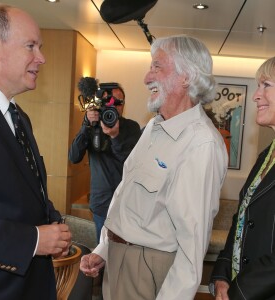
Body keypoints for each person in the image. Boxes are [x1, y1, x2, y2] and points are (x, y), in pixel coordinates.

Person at [79, 35, 228, 300]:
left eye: (157, 67)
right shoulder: (153, 127)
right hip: (118, 261)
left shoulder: (201, 142)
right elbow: (127, 199)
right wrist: (104, 250)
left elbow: (191, 249)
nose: (147, 77)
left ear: (187, 77)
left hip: (148, 271)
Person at [0, 4, 72, 300]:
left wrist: (54, 224)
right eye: (30, 46)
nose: (41, 58)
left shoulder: (18, 117)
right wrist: (34, 240)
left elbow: (26, 189)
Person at [209, 57, 275, 300]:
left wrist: (239, 292)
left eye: (266, 85)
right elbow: (242, 219)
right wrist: (223, 274)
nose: (256, 96)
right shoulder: (265, 156)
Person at [69, 85, 141, 242]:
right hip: (101, 204)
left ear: (124, 105)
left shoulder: (132, 127)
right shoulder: (92, 126)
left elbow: (132, 163)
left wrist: (115, 137)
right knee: (101, 255)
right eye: (109, 102)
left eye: (118, 102)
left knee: (123, 255)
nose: (114, 106)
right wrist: (86, 125)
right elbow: (74, 157)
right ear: (101, 104)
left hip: (126, 204)